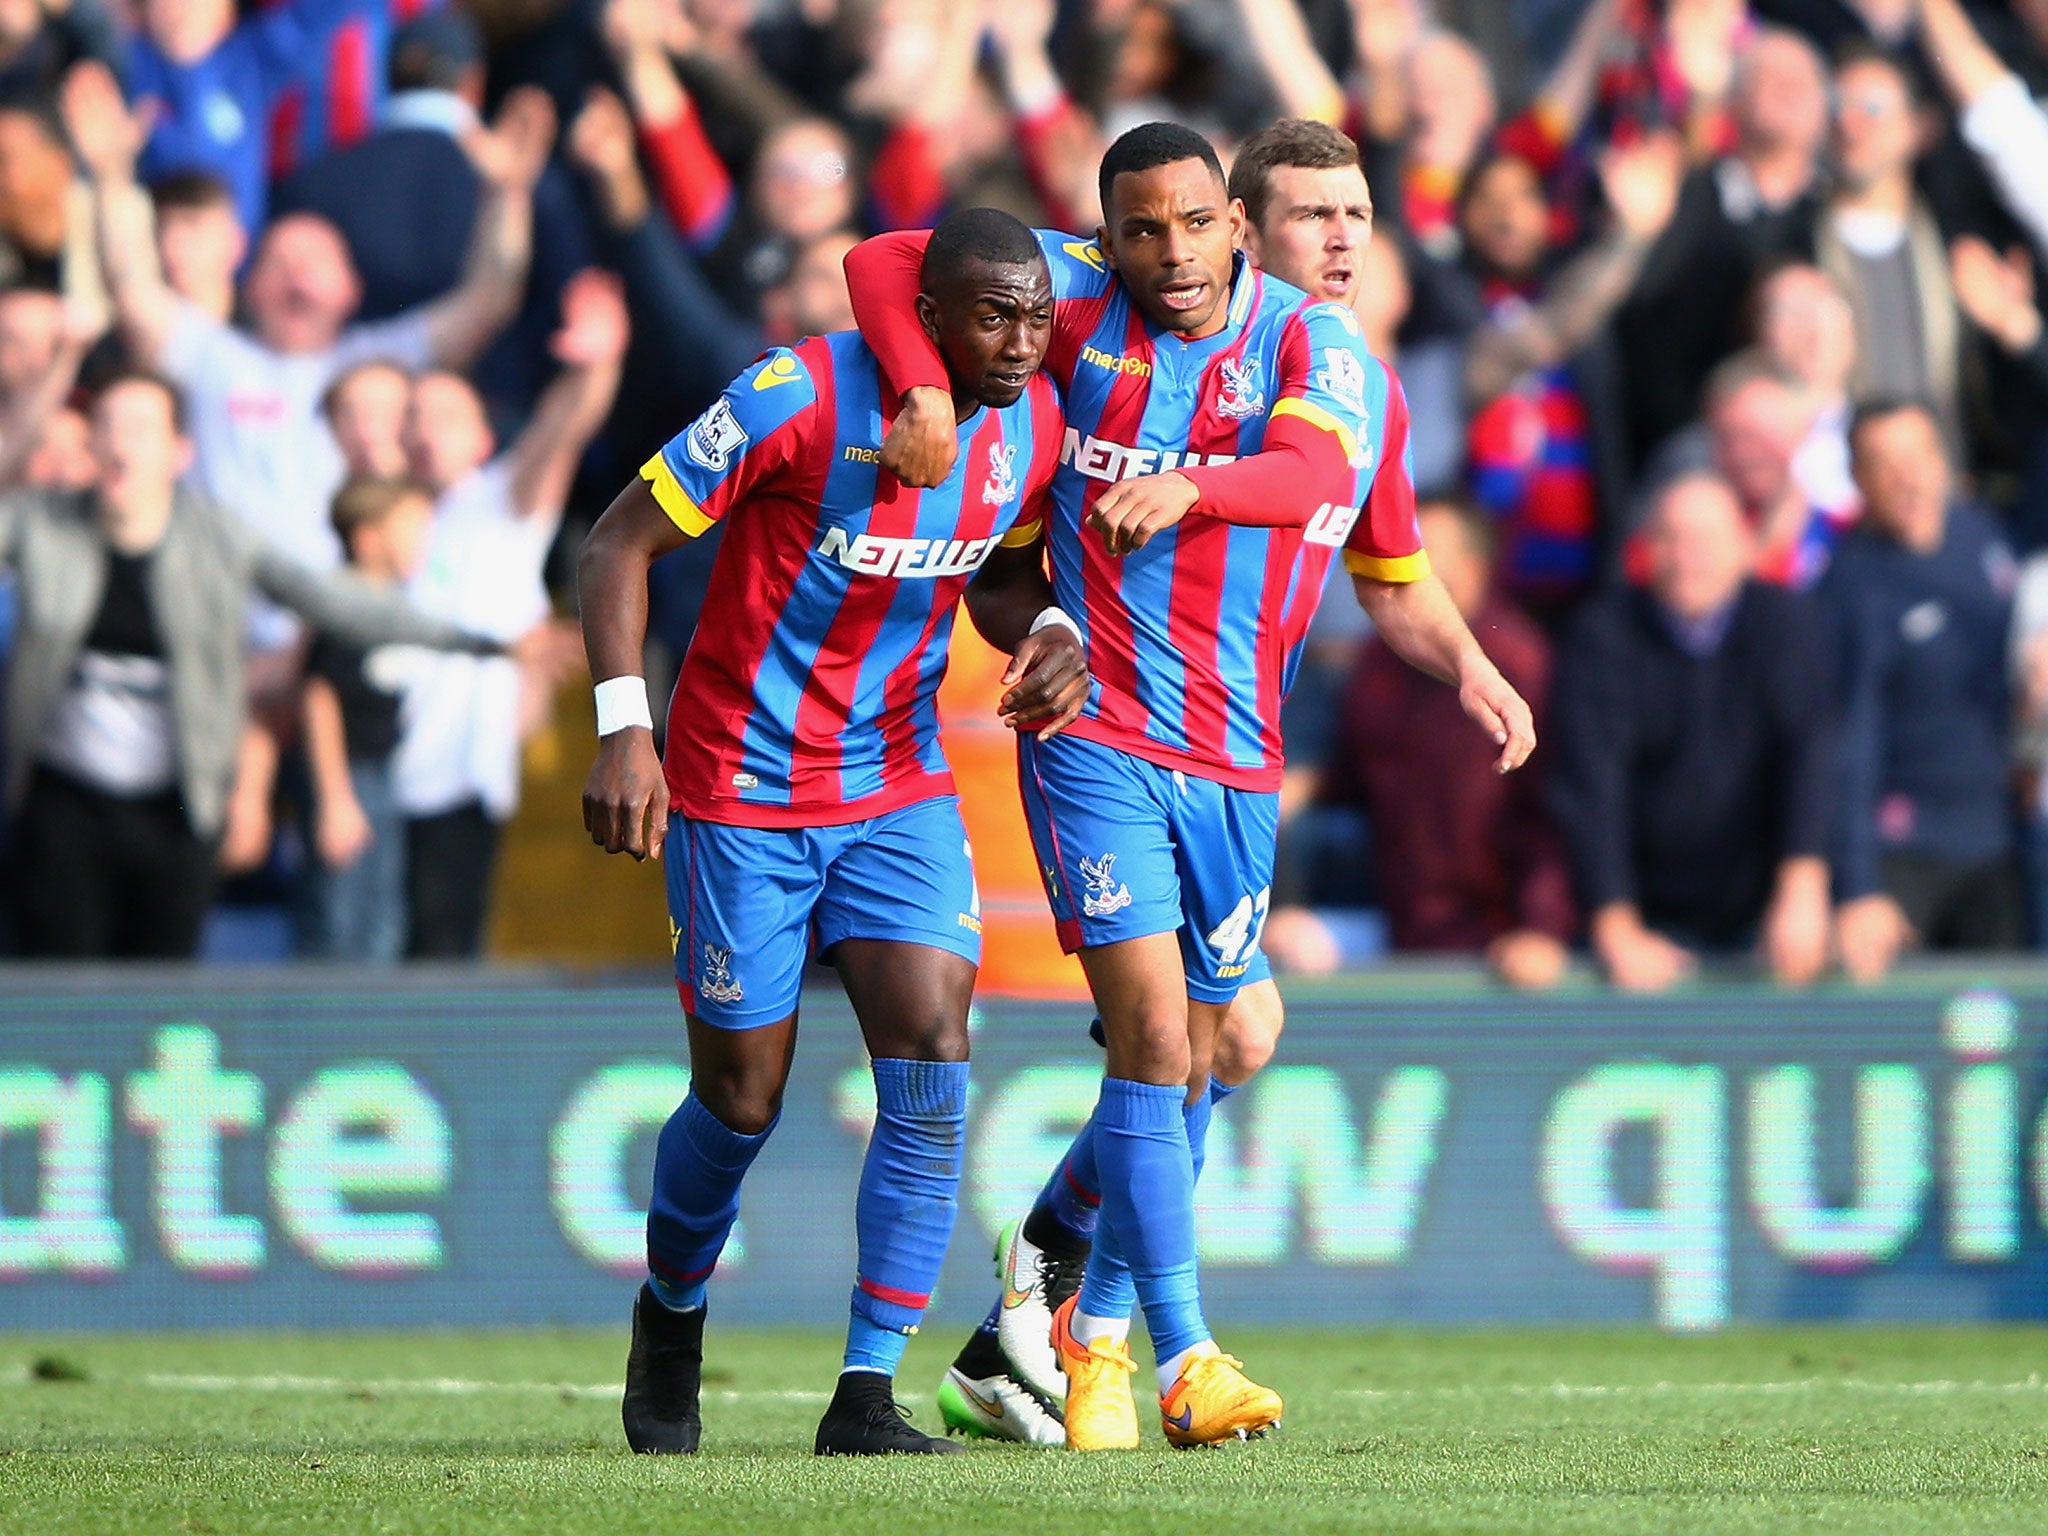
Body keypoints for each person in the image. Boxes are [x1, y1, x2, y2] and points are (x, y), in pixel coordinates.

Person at [847, 121, 1534, 1451]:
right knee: (1172, 1040)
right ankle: (1146, 1347)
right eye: (1311, 213)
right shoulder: (1101, 311)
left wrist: (1471, 666)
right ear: (1241, 223)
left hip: (1237, 759)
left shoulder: (1351, 383)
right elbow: (892, 264)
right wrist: (924, 393)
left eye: (1358, 213)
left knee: (1224, 1041)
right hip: (1101, 730)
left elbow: (1383, 564)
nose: (1341, 237)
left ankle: (1030, 1316)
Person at [577, 207, 1086, 1458]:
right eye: (990, 316)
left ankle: (865, 1393)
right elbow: (615, 544)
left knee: (930, 1065)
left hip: (897, 788)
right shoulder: (791, 396)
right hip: (739, 789)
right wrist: (621, 728)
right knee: (740, 1100)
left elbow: (1000, 574)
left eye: (1034, 317)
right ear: (923, 317)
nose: (1021, 343)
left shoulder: (1034, 427)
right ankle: (672, 1311)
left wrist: (1050, 630)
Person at [0, 372, 496, 959]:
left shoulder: (218, 536)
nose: (118, 442)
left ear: (179, 453)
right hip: (62, 804)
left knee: (161, 1000)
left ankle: (167, 1058)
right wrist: (61, 363)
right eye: (105, 425)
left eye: (138, 427)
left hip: (178, 806)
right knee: (62, 990)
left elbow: (331, 601)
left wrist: (480, 643)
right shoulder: (42, 523)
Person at [65, 59, 543, 575]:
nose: (296, 278)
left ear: (351, 290)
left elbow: (489, 300)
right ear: (250, 288)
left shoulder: (381, 360)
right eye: (278, 264)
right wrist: (112, 178)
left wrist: (507, 195)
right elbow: (131, 286)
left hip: (340, 617)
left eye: (315, 263)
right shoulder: (211, 355)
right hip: (219, 616)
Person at [392, 270, 627, 959]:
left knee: (442, 951)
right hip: (375, 773)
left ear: (482, 441)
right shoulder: (369, 515)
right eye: (411, 416)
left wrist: (599, 362)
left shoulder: (496, 505)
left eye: (443, 417)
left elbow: (562, 432)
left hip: (458, 778)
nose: (422, 432)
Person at [1550, 472, 1837, 992]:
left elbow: (1809, 757)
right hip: (1645, 915)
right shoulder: (1602, 635)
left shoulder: (1788, 624)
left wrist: (1802, 888)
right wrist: (1615, 925)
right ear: (1645, 549)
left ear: (1744, 547)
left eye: (1704, 540)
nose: (1686, 557)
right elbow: (1590, 787)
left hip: (1761, 911)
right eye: (1670, 538)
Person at [1283, 495, 1574, 986]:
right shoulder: (1379, 661)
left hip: (1501, 941)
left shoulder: (1522, 667)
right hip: (1397, 925)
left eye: (1425, 556)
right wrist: (1308, 785)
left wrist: (1542, 928)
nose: (1408, 570)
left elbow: (1560, 811)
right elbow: (1358, 775)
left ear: (1475, 569)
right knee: (1285, 942)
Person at [1825, 399, 2023, 982]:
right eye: (1883, 463)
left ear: (1943, 460)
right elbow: (1847, 743)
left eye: (1917, 456)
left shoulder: (1983, 536)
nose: (1905, 476)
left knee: (1990, 1049)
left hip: (1995, 844)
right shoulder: (1848, 588)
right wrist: (1857, 885)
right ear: (1858, 481)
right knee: (1905, 1052)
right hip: (1904, 856)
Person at [298, 476, 438, 964]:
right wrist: (335, 799)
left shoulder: (391, 604)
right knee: (338, 919)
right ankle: (325, 1036)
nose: (423, 542)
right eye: (411, 529)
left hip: (382, 776)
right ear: (368, 539)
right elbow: (319, 696)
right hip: (348, 779)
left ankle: (368, 1036)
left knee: (381, 919)